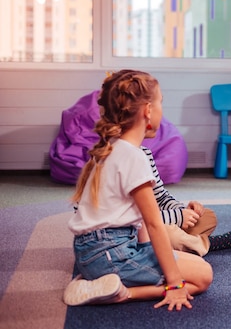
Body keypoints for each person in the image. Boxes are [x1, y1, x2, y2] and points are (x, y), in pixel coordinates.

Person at [63, 70, 213, 310]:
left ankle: (100, 279)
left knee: (184, 261)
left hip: (92, 253)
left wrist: (149, 252)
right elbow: (153, 224)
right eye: (161, 102)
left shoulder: (111, 149)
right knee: (203, 275)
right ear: (147, 111)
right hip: (112, 254)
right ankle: (122, 293)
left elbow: (141, 223)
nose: (163, 109)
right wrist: (174, 283)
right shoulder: (134, 157)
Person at [142, 146, 231, 256]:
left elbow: (161, 197)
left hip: (160, 218)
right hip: (138, 230)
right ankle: (205, 244)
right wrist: (178, 217)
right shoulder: (128, 159)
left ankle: (188, 243)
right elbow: (137, 220)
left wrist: (182, 210)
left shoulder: (145, 153)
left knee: (207, 217)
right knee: (171, 235)